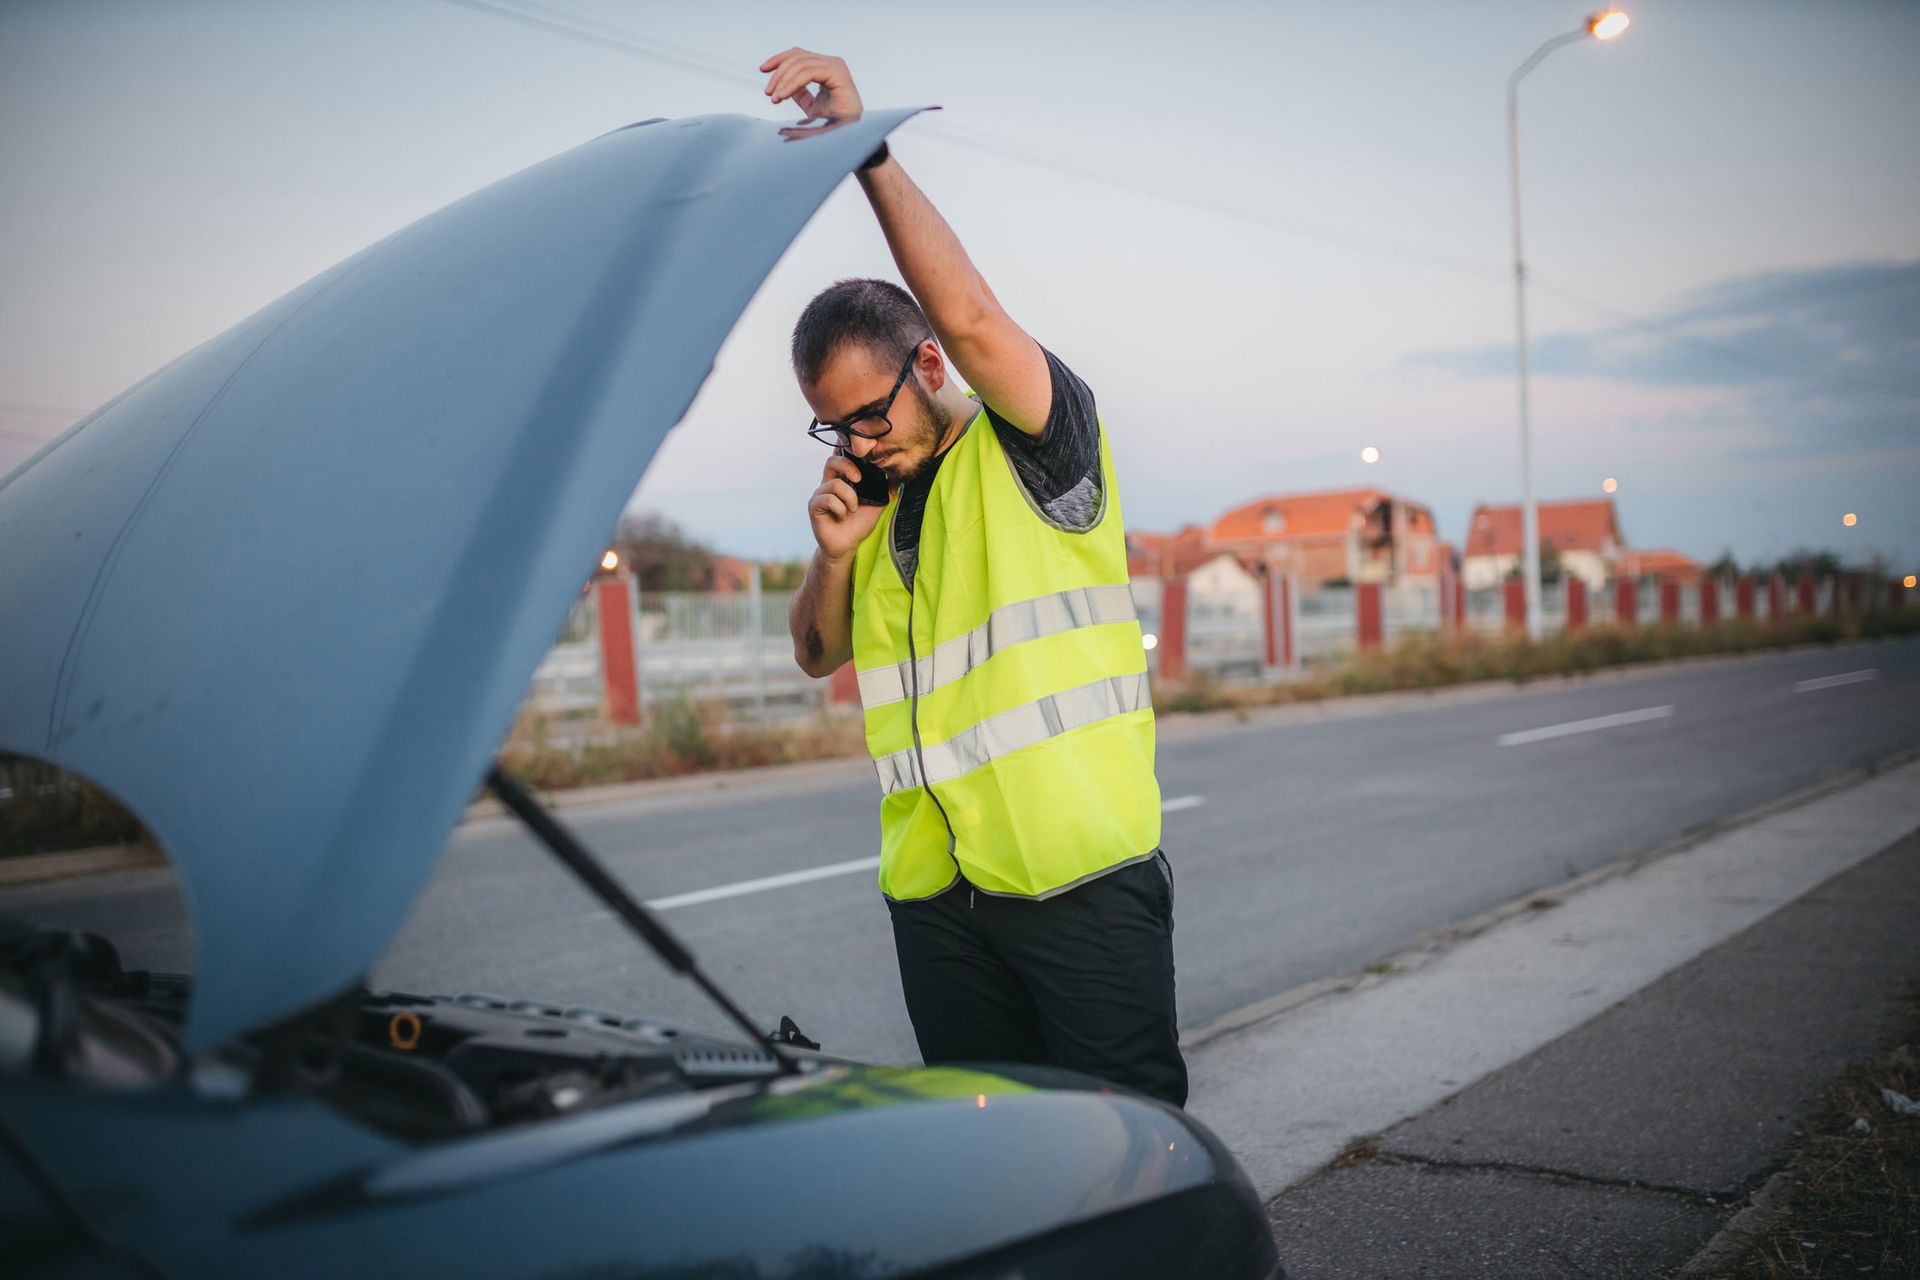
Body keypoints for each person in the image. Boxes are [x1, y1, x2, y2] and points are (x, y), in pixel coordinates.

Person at [770, 49, 1186, 1108]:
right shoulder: (874, 501)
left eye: (874, 412)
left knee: (1130, 1153)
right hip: (938, 904)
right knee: (993, 1158)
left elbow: (975, 318)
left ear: (930, 369)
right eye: (836, 422)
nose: (859, 439)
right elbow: (817, 653)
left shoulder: (1037, 446)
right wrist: (832, 558)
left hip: (1076, 886)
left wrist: (870, 154)